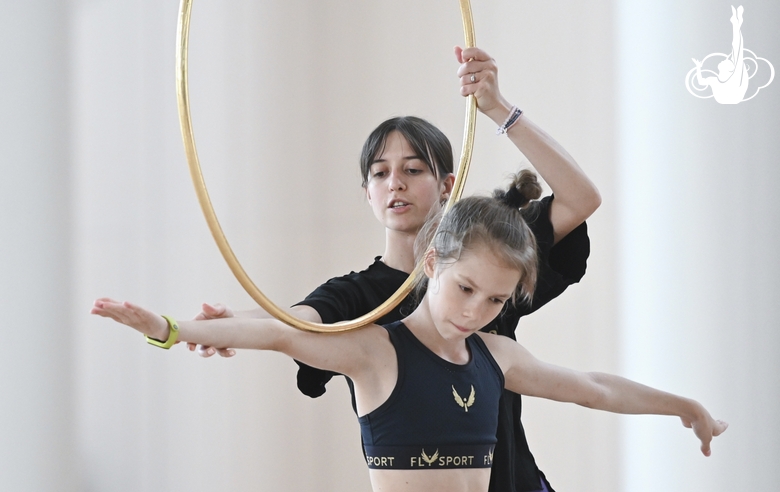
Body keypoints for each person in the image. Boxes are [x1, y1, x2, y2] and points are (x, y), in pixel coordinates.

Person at [91, 176, 727, 492]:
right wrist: (172, 329)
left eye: (496, 300)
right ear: (431, 266)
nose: (476, 310)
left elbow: (592, 388)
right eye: (465, 289)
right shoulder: (374, 350)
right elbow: (282, 333)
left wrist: (685, 406)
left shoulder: (496, 356)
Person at [188, 46, 601, 492]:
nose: (395, 183)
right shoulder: (357, 295)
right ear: (367, 193)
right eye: (380, 173)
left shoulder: (491, 253)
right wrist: (227, 323)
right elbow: (290, 322)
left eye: (412, 169)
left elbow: (581, 198)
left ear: (447, 184)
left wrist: (498, 108)